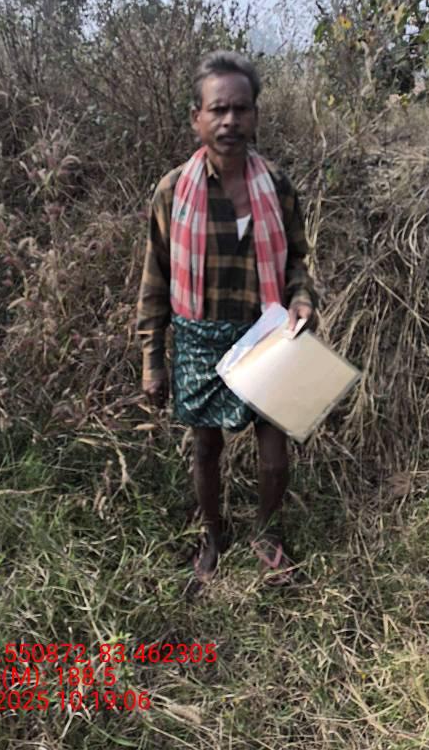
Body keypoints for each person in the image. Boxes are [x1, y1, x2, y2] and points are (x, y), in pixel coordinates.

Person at [136, 51, 317, 585]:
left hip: (267, 334)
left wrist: (302, 300)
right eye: (218, 109)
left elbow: (296, 261)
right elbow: (155, 279)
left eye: (241, 109)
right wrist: (152, 359)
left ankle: (267, 537)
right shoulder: (173, 191)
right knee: (206, 448)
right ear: (197, 117)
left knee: (274, 452)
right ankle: (213, 538)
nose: (230, 121)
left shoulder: (277, 186)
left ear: (256, 115)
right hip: (199, 338)